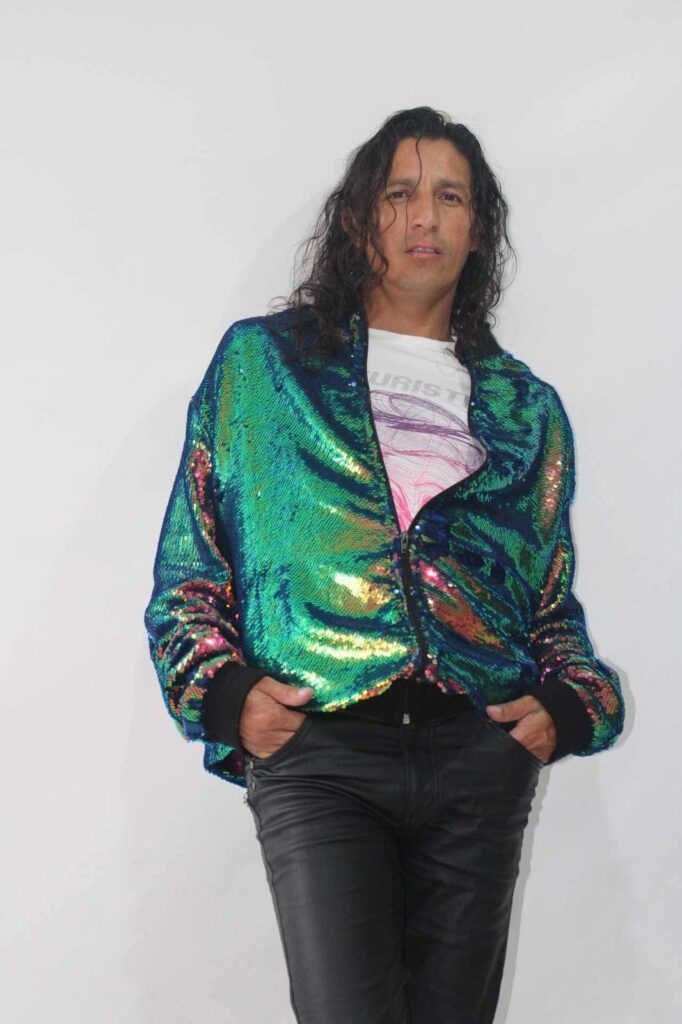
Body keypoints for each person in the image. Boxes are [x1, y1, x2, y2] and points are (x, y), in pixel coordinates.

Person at [144, 106, 625, 1023]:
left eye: (451, 197)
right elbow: (189, 570)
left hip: (476, 756)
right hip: (320, 748)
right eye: (399, 194)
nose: (424, 218)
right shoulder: (265, 368)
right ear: (358, 217)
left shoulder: (525, 409)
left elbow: (545, 600)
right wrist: (226, 694)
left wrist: (570, 704)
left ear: (478, 228)